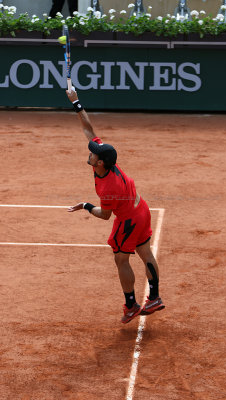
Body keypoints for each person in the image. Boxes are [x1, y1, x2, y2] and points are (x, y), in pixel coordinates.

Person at [66, 89, 165, 324]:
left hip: (129, 219)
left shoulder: (108, 187)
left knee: (121, 259)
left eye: (93, 154)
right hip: (142, 210)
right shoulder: (106, 162)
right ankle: (155, 297)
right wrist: (76, 103)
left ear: (100, 162)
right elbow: (89, 130)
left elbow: (105, 215)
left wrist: (86, 205)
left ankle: (131, 305)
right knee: (145, 252)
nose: (90, 153)